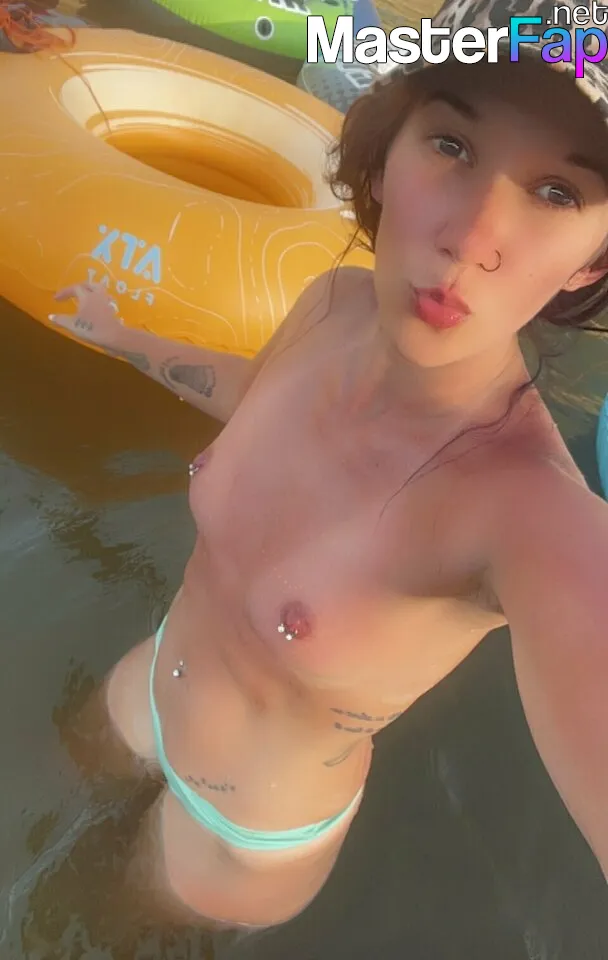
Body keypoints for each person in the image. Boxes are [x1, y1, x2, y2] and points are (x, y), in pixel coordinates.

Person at [51, 0, 608, 932]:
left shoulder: (529, 512)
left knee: (84, 925)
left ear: (593, 261)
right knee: (54, 770)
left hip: (240, 829)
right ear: (386, 155)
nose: (473, 238)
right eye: (453, 146)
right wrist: (125, 337)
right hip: (151, 680)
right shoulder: (334, 303)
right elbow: (257, 396)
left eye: (557, 193)